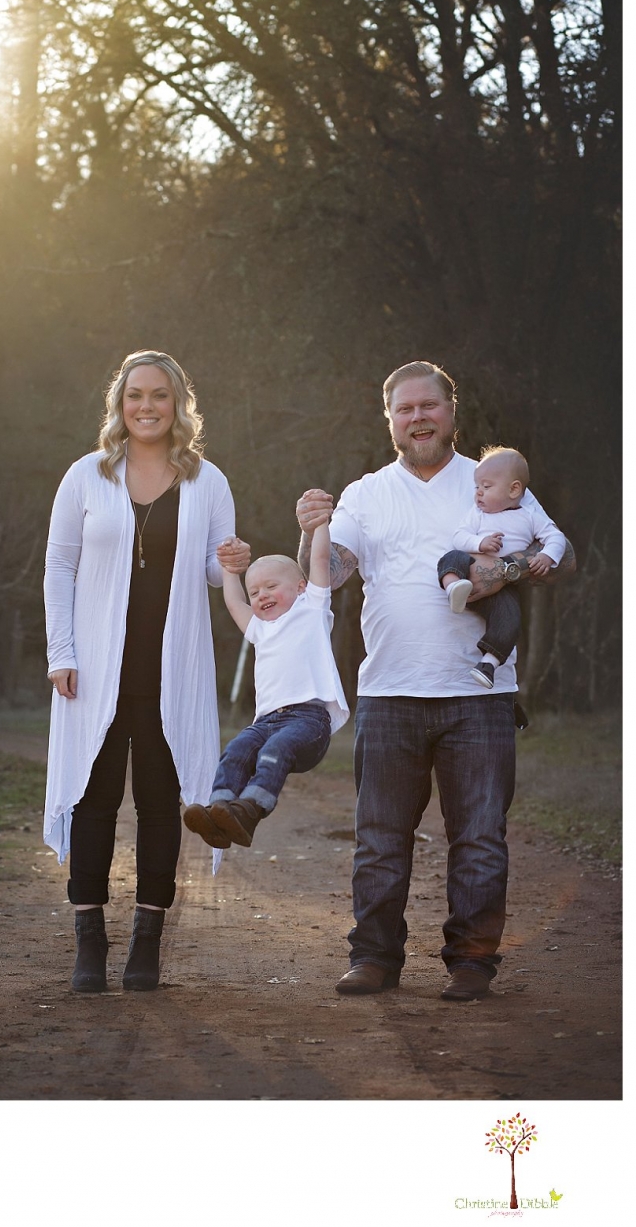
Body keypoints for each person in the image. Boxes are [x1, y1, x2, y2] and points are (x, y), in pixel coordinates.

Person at [296, 360, 574, 1002]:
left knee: (479, 836)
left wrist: (509, 572)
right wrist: (312, 531)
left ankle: (471, 963)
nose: (418, 417)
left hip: (479, 695)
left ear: (452, 409)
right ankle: (374, 958)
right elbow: (332, 573)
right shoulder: (366, 493)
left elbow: (559, 556)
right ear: (389, 420)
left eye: (430, 405)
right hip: (390, 691)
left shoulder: (492, 485)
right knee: (380, 837)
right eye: (405, 409)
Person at [43, 349, 249, 994]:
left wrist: (237, 560)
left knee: (163, 805)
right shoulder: (85, 476)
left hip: (172, 670)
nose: (147, 406)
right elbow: (59, 569)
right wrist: (62, 653)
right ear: (119, 403)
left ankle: (146, 943)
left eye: (160, 395)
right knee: (93, 800)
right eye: (136, 395)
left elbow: (218, 573)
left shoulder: (207, 481)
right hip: (95, 671)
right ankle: (88, 944)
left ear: (179, 404)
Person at [182, 519, 349, 851]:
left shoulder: (312, 610)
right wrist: (229, 570)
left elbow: (318, 562)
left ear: (301, 587)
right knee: (236, 750)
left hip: (309, 721)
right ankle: (221, 812)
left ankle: (250, 810)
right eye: (255, 592)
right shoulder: (259, 628)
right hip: (267, 721)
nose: (262, 596)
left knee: (274, 751)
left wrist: (319, 526)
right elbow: (233, 602)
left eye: (271, 586)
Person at [438, 445, 567, 688]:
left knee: (510, 619)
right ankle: (453, 587)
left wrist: (547, 556)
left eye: (486, 487)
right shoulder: (478, 514)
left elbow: (556, 537)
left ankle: (488, 664)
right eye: (477, 487)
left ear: (514, 489)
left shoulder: (529, 516)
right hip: (468, 571)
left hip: (502, 589)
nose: (478, 494)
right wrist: (479, 542)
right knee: (452, 557)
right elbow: (459, 536)